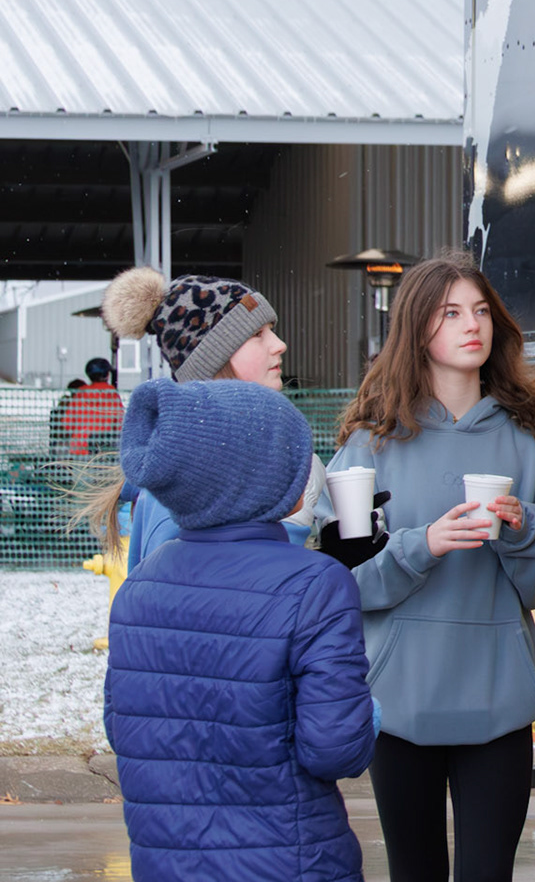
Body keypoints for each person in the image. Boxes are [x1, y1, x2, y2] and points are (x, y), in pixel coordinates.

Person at [317, 250, 535, 882]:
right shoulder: (370, 443)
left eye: (481, 311)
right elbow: (339, 580)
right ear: (417, 331)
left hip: (500, 696)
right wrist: (423, 545)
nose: (473, 325)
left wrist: (522, 531)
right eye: (451, 313)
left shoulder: (528, 438)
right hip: (399, 697)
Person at [104, 376, 378, 882]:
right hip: (291, 862)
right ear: (262, 476)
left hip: (166, 864)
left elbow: (124, 730)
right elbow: (335, 749)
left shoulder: (137, 587)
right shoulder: (317, 583)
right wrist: (370, 711)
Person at [98, 267, 327, 564]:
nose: (279, 344)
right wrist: (294, 526)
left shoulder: (215, 463)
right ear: (211, 359)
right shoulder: (181, 480)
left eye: (271, 330)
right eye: (257, 334)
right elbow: (201, 581)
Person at [59, 358, 123, 459]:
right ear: (107, 375)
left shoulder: (80, 393)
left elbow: (67, 424)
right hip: (104, 451)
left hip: (79, 450)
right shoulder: (112, 394)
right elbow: (120, 424)